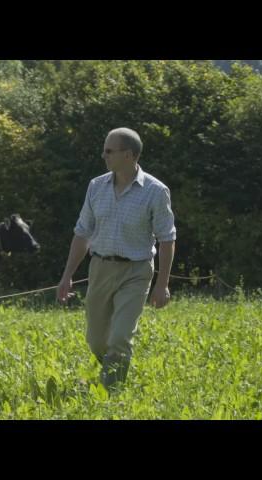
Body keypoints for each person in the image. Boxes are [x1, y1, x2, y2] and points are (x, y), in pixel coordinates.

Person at [56, 127, 176, 391]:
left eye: (110, 150)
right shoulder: (96, 186)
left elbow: (167, 238)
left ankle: (112, 394)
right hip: (100, 268)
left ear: (130, 155)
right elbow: (82, 232)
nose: (104, 155)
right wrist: (67, 276)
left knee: (120, 336)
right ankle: (112, 376)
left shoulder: (156, 191)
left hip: (136, 271)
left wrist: (162, 284)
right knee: (97, 341)